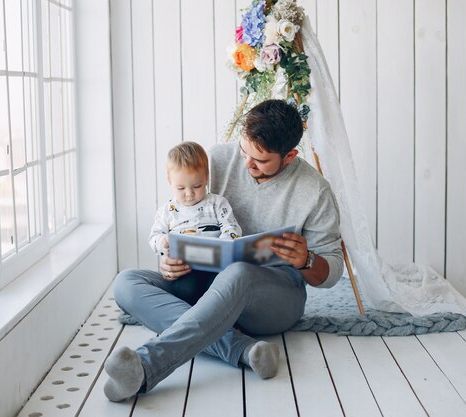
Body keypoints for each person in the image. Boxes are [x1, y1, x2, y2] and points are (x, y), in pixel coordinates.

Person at [104, 99, 343, 402]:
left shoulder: (315, 190)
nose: (247, 164)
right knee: (127, 282)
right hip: (205, 284)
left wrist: (306, 259)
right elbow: (180, 212)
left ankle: (147, 365)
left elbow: (332, 271)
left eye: (261, 160)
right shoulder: (216, 160)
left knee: (239, 272)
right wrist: (167, 260)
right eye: (244, 151)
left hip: (273, 299)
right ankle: (242, 349)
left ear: (290, 156)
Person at [149, 141, 242, 256]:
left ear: (206, 177)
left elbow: (232, 229)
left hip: (214, 262)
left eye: (197, 186)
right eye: (181, 188)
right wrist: (163, 241)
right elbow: (154, 237)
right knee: (128, 275)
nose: (189, 194)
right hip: (182, 266)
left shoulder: (217, 204)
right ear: (169, 181)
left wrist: (222, 246)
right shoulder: (166, 211)